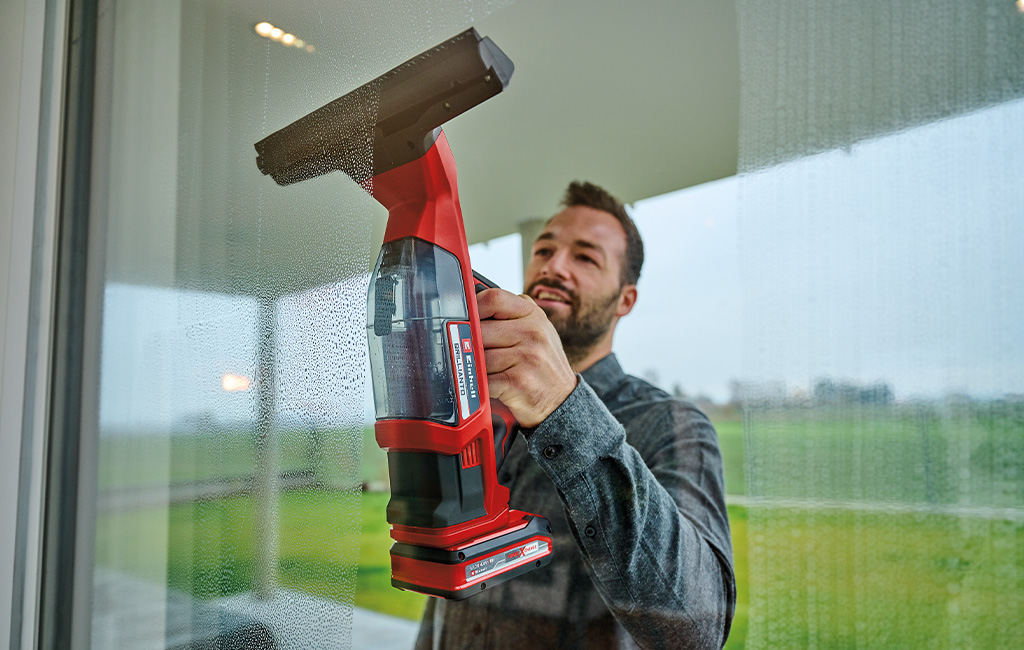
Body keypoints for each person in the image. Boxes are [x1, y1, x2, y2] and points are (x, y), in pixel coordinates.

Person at [414, 181, 735, 650]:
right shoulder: (480, 412)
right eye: (544, 250)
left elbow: (698, 627)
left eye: (586, 257)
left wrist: (561, 406)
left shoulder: (672, 423)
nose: (553, 266)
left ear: (625, 300)